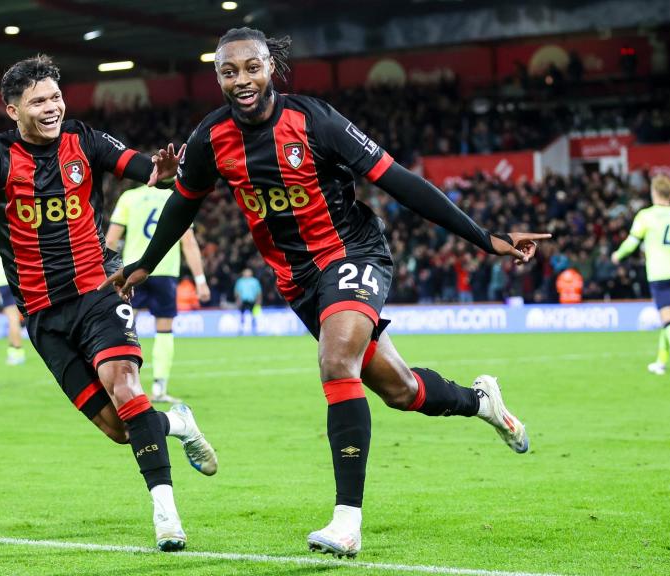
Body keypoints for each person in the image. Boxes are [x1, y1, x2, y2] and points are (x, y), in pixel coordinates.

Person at [103, 28, 549, 558]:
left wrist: (487, 239)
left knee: (337, 362)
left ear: (272, 67)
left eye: (252, 67)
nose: (242, 80)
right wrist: (145, 264)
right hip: (298, 282)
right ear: (218, 77)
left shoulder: (315, 120)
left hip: (354, 254)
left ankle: (346, 521)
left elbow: (400, 181)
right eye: (229, 71)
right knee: (400, 389)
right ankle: (484, 403)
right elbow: (184, 202)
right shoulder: (210, 137)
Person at [0, 55, 217, 552]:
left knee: (126, 387)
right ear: (13, 110)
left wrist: (161, 170)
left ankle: (167, 516)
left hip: (98, 291)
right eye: (38, 101)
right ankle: (177, 422)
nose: (52, 108)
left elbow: (141, 167)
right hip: (44, 318)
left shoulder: (83, 139)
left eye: (55, 97)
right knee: (120, 429)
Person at [106, 184, 211, 403]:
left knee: (123, 329)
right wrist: (200, 281)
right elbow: (189, 242)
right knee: (164, 330)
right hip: (164, 271)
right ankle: (160, 388)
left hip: (132, 271)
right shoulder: (178, 197)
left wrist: (108, 273)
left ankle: (122, 386)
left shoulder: (129, 197)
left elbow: (111, 240)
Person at [612, 174, 670, 376]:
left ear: (654, 193)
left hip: (659, 273)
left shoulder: (646, 216)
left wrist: (618, 255)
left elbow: (632, 243)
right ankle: (660, 362)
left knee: (668, 319)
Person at [0, 214, 26, 366]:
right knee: (13, 317)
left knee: (12, 318)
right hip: (12, 277)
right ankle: (13, 351)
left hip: (3, 279)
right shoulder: (12, 233)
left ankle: (17, 351)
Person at [233, 268, 262, 335]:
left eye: (248, 272)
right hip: (243, 301)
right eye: (245, 272)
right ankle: (241, 329)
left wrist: (258, 301)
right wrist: (238, 300)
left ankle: (254, 329)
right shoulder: (240, 281)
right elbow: (237, 292)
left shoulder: (255, 281)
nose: (247, 274)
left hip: (252, 301)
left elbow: (259, 292)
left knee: (254, 315)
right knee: (242, 315)